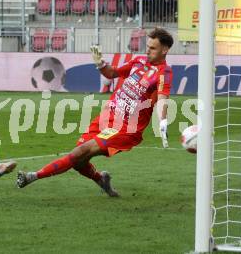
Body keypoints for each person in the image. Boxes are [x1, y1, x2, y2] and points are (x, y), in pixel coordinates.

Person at [17, 28, 173, 196]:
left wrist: (162, 121)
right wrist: (100, 64)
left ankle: (32, 176)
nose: (147, 50)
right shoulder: (139, 61)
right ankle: (101, 179)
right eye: (148, 46)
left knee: (79, 152)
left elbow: (163, 98)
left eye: (153, 48)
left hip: (125, 128)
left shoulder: (164, 72)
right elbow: (112, 73)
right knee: (78, 162)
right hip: (107, 118)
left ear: (164, 50)